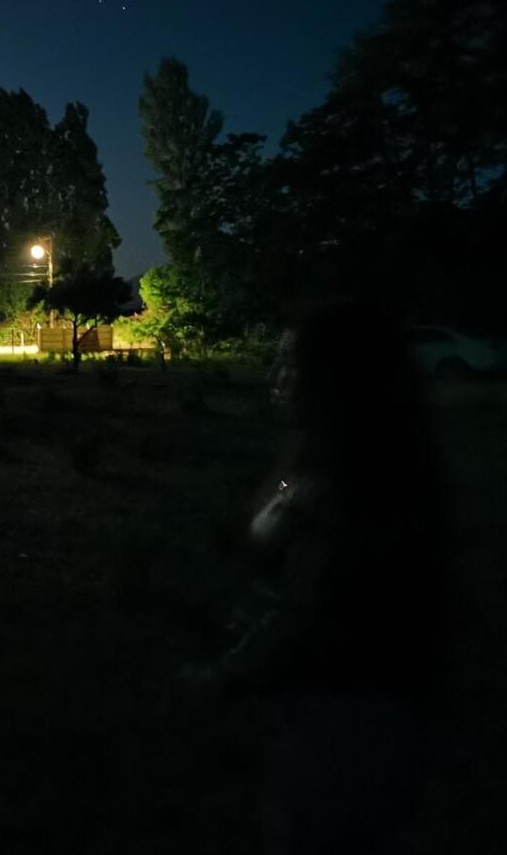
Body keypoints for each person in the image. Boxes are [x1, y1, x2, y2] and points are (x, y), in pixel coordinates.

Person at [192, 300, 450, 854]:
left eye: (293, 365)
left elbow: (307, 609)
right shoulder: (322, 464)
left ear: (342, 382)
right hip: (326, 718)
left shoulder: (364, 492)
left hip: (346, 724)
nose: (276, 377)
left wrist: (227, 677)